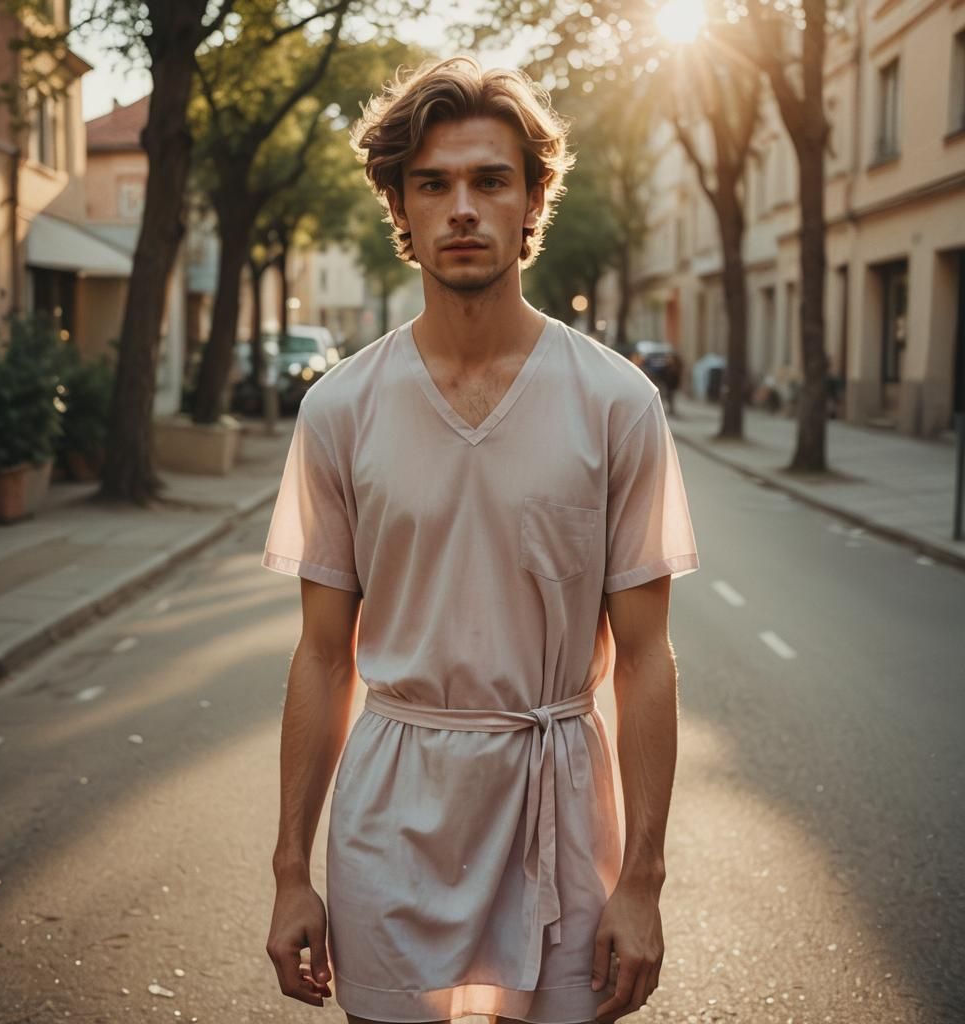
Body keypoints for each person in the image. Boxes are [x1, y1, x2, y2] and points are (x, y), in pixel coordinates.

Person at [262, 55, 700, 1024]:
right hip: (390, 817)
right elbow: (323, 654)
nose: (462, 207)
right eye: (433, 183)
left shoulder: (617, 403)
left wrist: (643, 879)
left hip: (560, 805)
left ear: (531, 198)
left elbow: (644, 660)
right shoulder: (338, 408)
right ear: (401, 206)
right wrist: (292, 869)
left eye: (489, 180)